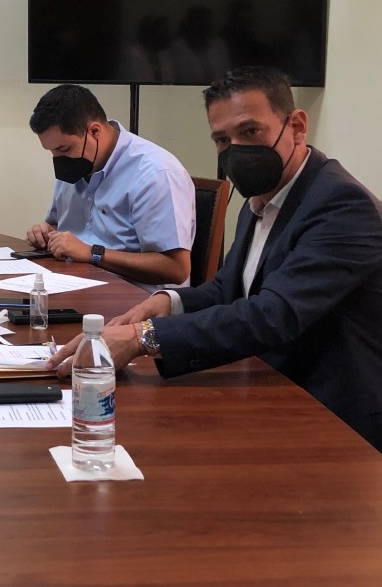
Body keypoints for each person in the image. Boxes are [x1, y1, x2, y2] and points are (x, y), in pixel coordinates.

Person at [48, 67, 382, 451]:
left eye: (250, 131)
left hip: (332, 417)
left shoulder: (342, 205)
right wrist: (167, 302)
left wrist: (144, 338)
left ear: (297, 126)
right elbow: (229, 288)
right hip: (265, 387)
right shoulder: (263, 197)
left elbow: (273, 314)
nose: (235, 149)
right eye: (222, 139)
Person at [26, 84, 195, 290]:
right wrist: (46, 234)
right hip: (75, 284)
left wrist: (92, 253)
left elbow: (176, 269)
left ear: (94, 131)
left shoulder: (156, 173)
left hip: (136, 297)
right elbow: (58, 227)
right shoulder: (74, 165)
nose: (58, 158)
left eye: (64, 149)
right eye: (51, 151)